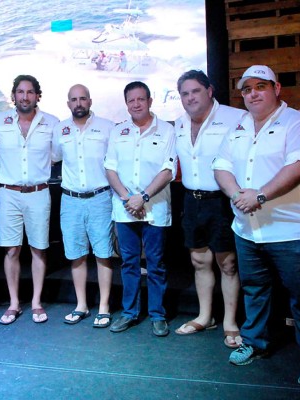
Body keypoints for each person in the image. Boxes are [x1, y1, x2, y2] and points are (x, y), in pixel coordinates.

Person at [213, 65, 300, 388]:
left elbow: (298, 167)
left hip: (293, 231)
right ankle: (255, 342)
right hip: (248, 229)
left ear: (277, 88)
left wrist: (259, 196)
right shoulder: (239, 127)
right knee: (255, 290)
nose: (253, 93)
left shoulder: (298, 123)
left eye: (261, 86)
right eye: (247, 89)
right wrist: (237, 195)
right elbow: (221, 166)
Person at [174, 70, 244, 349]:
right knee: (199, 261)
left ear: (209, 91)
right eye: (184, 93)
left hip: (221, 201)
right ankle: (205, 316)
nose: (190, 98)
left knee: (227, 264)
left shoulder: (235, 118)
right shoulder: (178, 123)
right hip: (191, 199)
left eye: (195, 91)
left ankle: (230, 322)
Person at [105, 81, 176, 336]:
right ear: (126, 104)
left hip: (155, 208)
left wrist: (143, 197)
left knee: (156, 263)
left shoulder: (167, 130)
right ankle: (130, 313)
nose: (136, 104)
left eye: (140, 99)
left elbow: (168, 171)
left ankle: (158, 314)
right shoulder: (118, 132)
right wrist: (128, 199)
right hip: (125, 209)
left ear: (149, 101)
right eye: (131, 100)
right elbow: (110, 168)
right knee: (129, 263)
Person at [0, 74, 58, 324]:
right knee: (11, 250)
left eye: (30, 92)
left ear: (37, 95)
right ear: (13, 95)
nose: (25, 96)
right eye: (20, 91)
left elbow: (56, 153)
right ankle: (14, 303)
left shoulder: (51, 122)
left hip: (39, 193)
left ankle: (37, 302)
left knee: (38, 249)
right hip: (8, 193)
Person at [52, 84, 114, 328]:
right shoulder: (60, 129)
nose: (78, 103)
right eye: (73, 99)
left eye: (82, 99)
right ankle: (81, 306)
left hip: (100, 198)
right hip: (70, 200)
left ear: (90, 101)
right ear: (68, 103)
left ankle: (104, 307)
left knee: (103, 253)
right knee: (76, 255)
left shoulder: (107, 127)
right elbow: (53, 157)